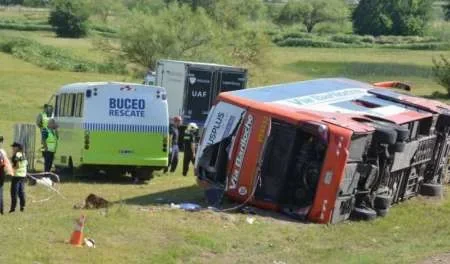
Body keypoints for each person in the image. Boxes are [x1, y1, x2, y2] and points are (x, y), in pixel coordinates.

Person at [10, 142, 27, 213]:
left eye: (14, 147)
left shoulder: (17, 155)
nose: (12, 148)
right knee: (21, 192)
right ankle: (22, 207)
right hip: (23, 176)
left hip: (17, 176)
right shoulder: (23, 154)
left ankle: (13, 209)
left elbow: (17, 166)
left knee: (14, 192)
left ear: (17, 147)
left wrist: (11, 168)